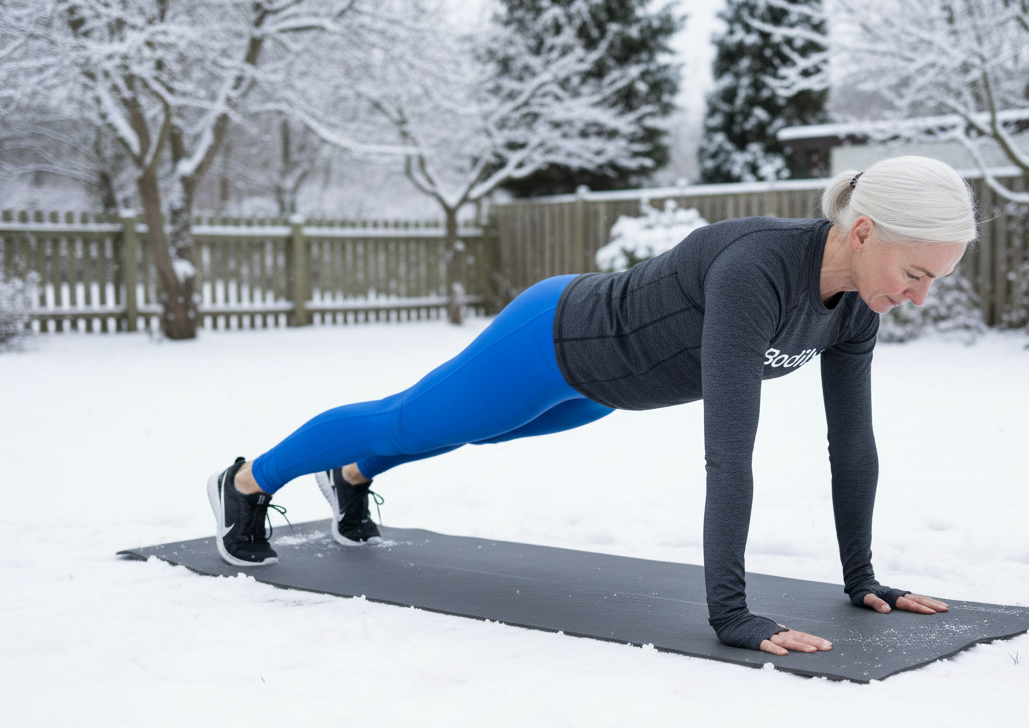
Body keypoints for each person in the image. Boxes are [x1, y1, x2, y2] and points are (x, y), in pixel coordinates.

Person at [208, 155, 976, 657]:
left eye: (932, 281)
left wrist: (861, 577)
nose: (918, 296)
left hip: (602, 392)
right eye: (915, 273)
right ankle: (246, 482)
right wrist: (732, 615)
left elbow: (852, 444)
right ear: (864, 231)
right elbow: (729, 452)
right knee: (412, 419)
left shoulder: (855, 309)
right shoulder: (758, 269)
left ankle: (351, 474)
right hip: (551, 338)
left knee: (472, 432)